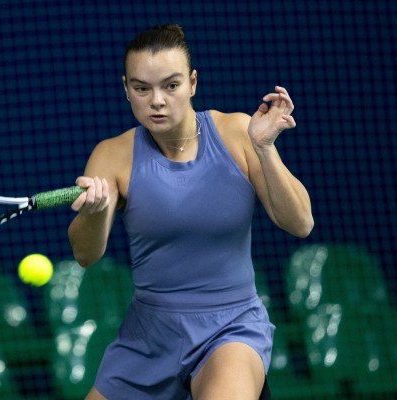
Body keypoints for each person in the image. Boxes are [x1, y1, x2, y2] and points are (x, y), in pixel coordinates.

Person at [68, 23, 313, 400]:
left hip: (230, 329)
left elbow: (301, 223)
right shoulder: (112, 155)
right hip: (148, 337)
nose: (157, 101)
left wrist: (264, 149)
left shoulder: (238, 133)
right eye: (142, 88)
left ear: (193, 83)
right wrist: (95, 213)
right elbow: (85, 255)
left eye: (171, 85)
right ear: (126, 89)